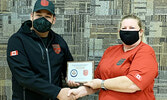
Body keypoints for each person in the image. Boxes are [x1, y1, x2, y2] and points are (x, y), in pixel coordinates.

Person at [68, 15, 158, 100]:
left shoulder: (145, 52)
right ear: (119, 32)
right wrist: (80, 91)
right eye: (124, 28)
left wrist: (102, 84)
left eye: (132, 28)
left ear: (141, 32)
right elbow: (95, 82)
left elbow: (133, 84)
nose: (127, 31)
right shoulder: (110, 51)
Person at [7, 0, 75, 100]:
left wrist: (70, 77)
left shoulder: (59, 41)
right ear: (32, 16)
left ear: (53, 19)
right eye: (38, 15)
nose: (42, 19)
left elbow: (68, 67)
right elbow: (24, 76)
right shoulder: (17, 41)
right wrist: (57, 92)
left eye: (47, 16)